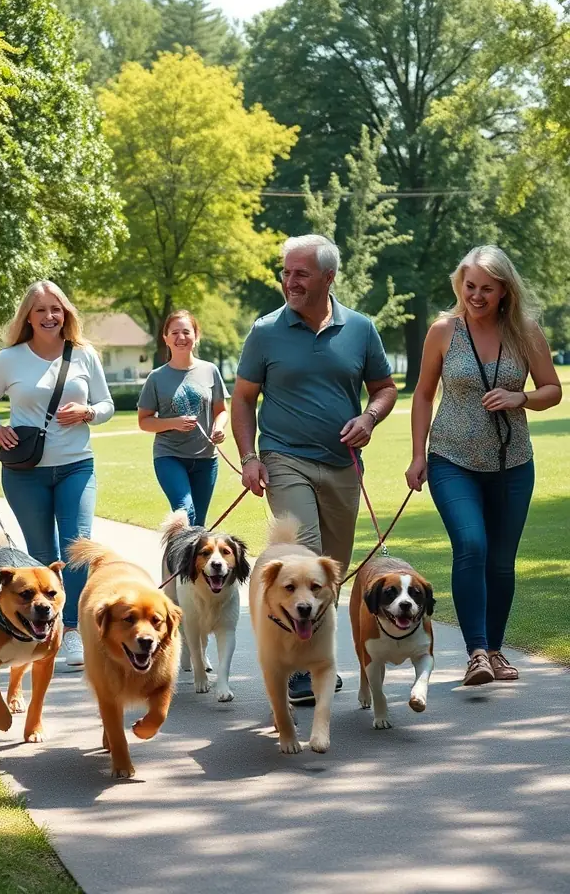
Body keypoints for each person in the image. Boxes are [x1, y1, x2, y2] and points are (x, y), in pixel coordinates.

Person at [231, 235, 397, 705]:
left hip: (343, 466)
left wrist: (369, 417)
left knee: (330, 573)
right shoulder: (265, 331)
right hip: (285, 458)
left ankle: (317, 656)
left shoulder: (361, 329)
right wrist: (250, 458)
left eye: (300, 273)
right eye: (285, 272)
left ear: (329, 277)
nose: (290, 281)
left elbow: (385, 388)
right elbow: (243, 399)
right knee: (305, 559)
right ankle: (300, 671)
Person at [405, 246, 561, 686]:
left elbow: (552, 389)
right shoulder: (443, 331)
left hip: (513, 463)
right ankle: (475, 653)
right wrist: (419, 455)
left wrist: (521, 397)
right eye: (469, 286)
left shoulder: (525, 332)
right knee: (471, 545)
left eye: (486, 289)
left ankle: (495, 650)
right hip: (452, 459)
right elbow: (422, 394)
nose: (475, 295)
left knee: (502, 562)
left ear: (504, 289)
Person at [0, 281, 114, 669]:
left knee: (76, 552)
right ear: (28, 317)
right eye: (41, 310)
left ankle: (72, 631)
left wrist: (87, 413)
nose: (50, 316)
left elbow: (106, 404)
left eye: (56, 309)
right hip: (25, 472)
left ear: (65, 313)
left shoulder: (83, 355)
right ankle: (44, 628)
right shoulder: (10, 358)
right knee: (41, 555)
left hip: (76, 465)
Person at [137, 310, 229, 527]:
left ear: (196, 336)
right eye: (175, 332)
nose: (181, 338)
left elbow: (221, 410)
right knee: (185, 512)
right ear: (166, 338)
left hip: (206, 459)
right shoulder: (156, 378)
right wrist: (173, 423)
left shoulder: (210, 371)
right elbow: (144, 421)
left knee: (198, 526)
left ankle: (179, 560)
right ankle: (176, 558)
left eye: (186, 332)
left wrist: (219, 428)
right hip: (170, 456)